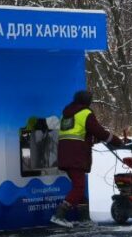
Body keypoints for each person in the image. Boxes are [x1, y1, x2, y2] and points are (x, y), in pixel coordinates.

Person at [52, 90, 123, 227]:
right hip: (76, 156)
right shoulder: (85, 113)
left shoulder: (66, 115)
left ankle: (84, 219)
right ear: (87, 102)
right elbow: (99, 132)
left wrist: (90, 140)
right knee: (79, 187)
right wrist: (117, 141)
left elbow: (76, 134)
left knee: (79, 187)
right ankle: (59, 215)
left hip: (65, 155)